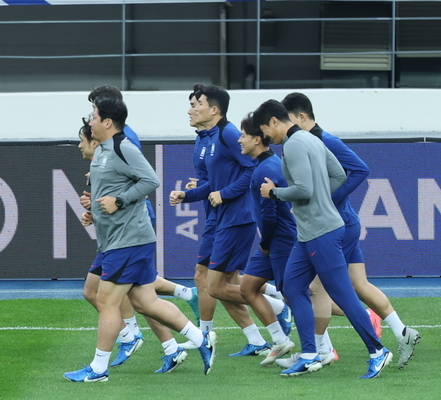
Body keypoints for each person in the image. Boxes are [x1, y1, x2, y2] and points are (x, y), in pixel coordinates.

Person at [67, 97, 211, 382]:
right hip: (118, 241)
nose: (90, 121)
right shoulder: (105, 151)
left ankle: (98, 370)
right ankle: (200, 338)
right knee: (146, 302)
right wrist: (95, 212)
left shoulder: (122, 147)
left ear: (107, 122)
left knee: (106, 302)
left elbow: (150, 181)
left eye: (94, 116)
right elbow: (112, 191)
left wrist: (119, 201)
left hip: (128, 241)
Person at [253, 99, 392, 378]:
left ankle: (378, 350)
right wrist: (321, 200)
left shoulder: (292, 145)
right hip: (310, 233)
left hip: (321, 233)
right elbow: (339, 176)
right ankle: (308, 354)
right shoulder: (311, 138)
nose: (267, 138)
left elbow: (302, 189)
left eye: (265, 131)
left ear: (274, 122)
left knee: (342, 294)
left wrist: (274, 193)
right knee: (291, 287)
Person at [281, 92, 421, 368]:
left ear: (301, 117)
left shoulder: (323, 140)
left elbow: (359, 169)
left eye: (287, 119)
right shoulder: (307, 142)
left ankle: (320, 351)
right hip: (345, 222)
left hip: (336, 223)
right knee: (359, 285)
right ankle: (402, 331)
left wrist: (325, 201)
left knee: (316, 288)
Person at [169, 84, 270, 355]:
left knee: (213, 283)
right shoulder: (205, 138)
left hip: (235, 218)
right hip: (218, 217)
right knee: (216, 281)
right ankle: (256, 341)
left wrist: (224, 194)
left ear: (213, 109)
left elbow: (253, 169)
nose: (191, 109)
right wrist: (187, 196)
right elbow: (211, 183)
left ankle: (278, 307)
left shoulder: (227, 134)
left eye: (196, 103)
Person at [235, 113, 298, 365]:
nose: (239, 140)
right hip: (273, 242)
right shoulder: (265, 165)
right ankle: (280, 340)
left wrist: (265, 244)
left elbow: (270, 213)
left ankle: (322, 348)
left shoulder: (266, 168)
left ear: (258, 139)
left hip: (280, 241)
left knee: (296, 296)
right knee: (248, 287)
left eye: (243, 135)